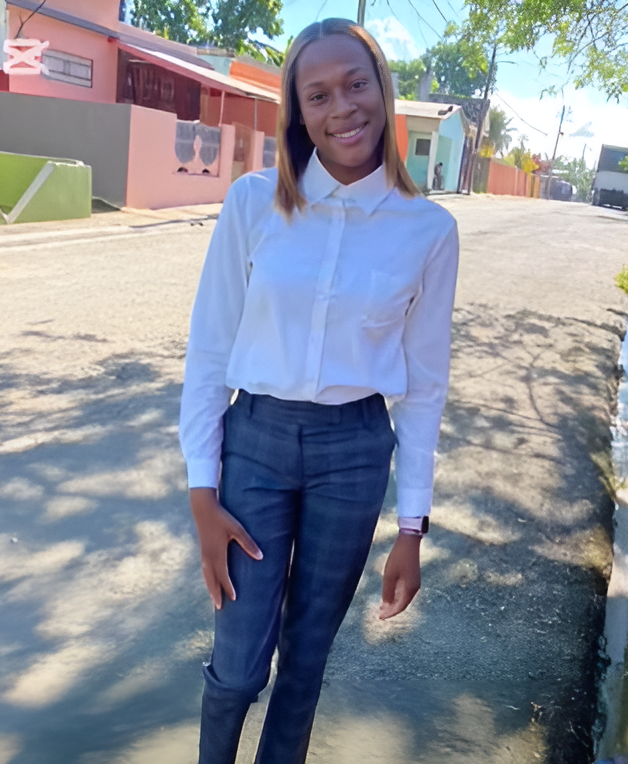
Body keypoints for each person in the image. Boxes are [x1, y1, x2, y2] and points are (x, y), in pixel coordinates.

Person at [179, 17, 459, 764]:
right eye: (319, 94)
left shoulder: (428, 231)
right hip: (256, 444)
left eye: (357, 84)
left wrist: (411, 528)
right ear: (298, 113)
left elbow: (425, 388)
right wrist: (202, 493)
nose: (343, 107)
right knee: (238, 667)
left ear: (383, 92)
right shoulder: (252, 205)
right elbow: (209, 351)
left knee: (305, 664)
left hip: (354, 451)